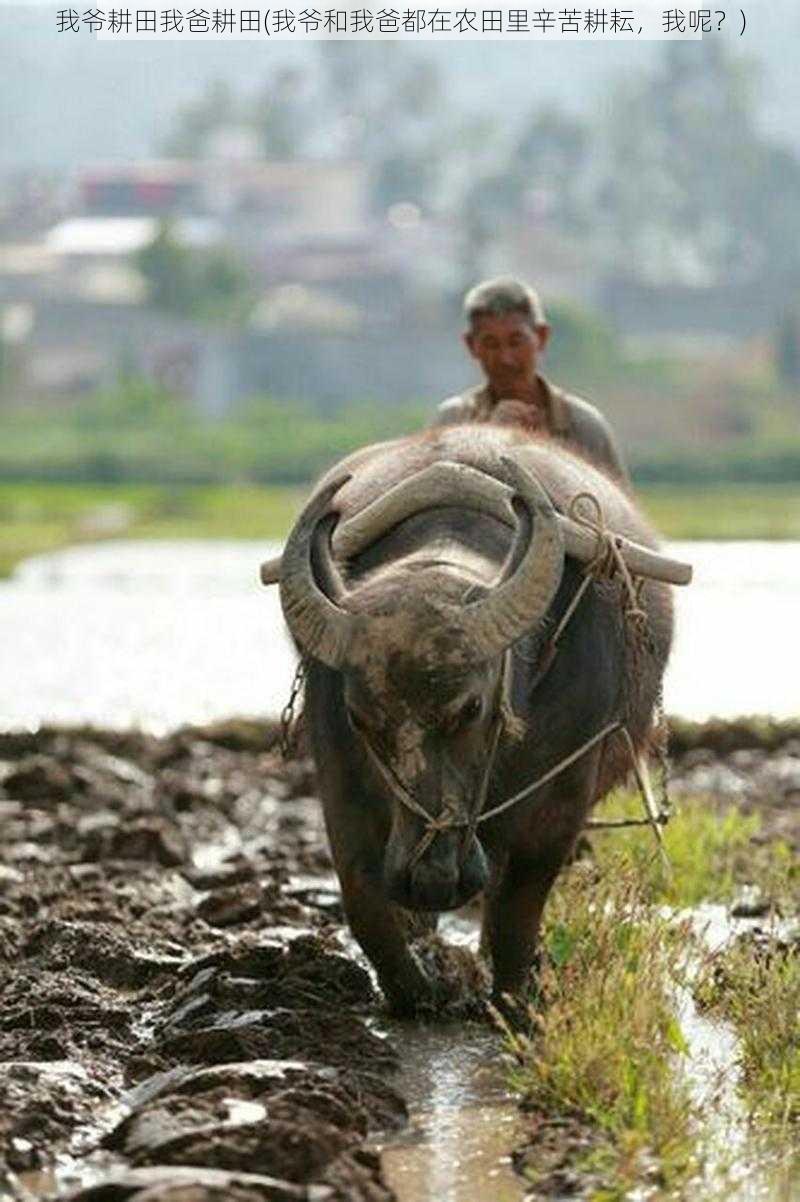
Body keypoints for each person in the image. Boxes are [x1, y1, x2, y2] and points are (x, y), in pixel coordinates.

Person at [434, 276, 629, 485]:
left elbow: (618, 512)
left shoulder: (584, 427)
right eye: (490, 343)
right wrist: (488, 439)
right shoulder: (453, 422)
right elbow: (439, 503)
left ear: (542, 337)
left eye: (516, 342)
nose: (505, 358)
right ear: (471, 345)